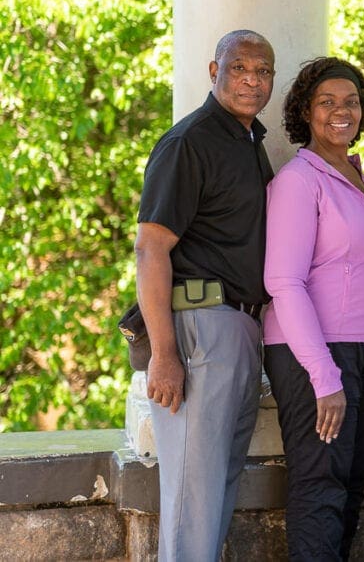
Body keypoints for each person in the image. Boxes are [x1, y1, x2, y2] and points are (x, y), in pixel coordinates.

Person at [135, 29, 275, 561]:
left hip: (238, 329)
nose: (252, 80)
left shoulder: (246, 141)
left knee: (214, 497)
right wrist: (165, 355)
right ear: (214, 72)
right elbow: (151, 250)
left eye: (263, 71)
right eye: (239, 68)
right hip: (198, 330)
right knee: (193, 503)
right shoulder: (188, 142)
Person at [262, 57, 364, 560]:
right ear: (305, 110)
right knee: (321, 485)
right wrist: (324, 376)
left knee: (352, 485)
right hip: (318, 354)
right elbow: (283, 281)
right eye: (327, 102)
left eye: (352, 102)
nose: (342, 112)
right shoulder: (300, 181)